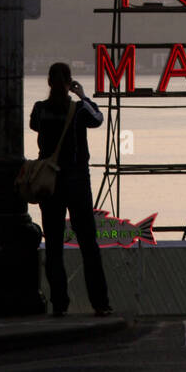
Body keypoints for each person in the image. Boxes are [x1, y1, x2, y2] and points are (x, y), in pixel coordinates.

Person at [29, 63, 112, 318]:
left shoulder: (40, 110)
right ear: (69, 83)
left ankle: (59, 303)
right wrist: (82, 95)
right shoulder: (78, 110)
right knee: (88, 243)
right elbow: (98, 118)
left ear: (48, 82)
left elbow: (34, 126)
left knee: (53, 245)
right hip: (77, 181)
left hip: (50, 184)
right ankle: (99, 302)